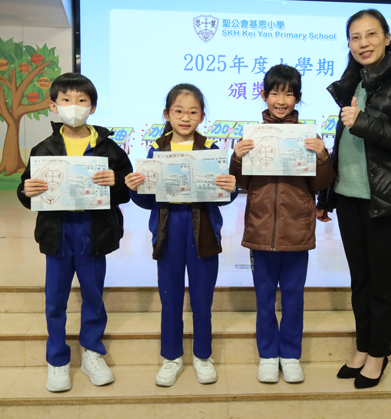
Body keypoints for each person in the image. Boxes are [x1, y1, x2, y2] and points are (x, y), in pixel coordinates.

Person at [317, 9, 391, 389]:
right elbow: (346, 148)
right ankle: (363, 346)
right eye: (355, 37)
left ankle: (379, 352)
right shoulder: (353, 84)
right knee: (360, 279)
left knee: (381, 280)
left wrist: (364, 122)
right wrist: (327, 195)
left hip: (387, 199)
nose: (363, 43)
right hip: (349, 196)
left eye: (370, 34)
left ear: (386, 37)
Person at [17, 73, 133, 393]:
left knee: (93, 295)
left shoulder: (109, 148)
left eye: (82, 101)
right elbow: (27, 190)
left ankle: (92, 352)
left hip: (94, 231)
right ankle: (57, 359)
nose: (74, 106)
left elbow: (127, 190)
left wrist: (116, 183)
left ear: (92, 107)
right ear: (54, 106)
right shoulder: (44, 148)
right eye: (66, 100)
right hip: (57, 232)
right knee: (55, 299)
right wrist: (26, 191)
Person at [125, 83, 238, 387]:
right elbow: (148, 200)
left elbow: (222, 196)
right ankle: (171, 357)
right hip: (168, 231)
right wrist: (135, 188)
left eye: (193, 112)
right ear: (167, 114)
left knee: (202, 298)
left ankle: (203, 356)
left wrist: (231, 189)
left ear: (202, 116)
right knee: (170, 298)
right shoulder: (156, 150)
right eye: (178, 111)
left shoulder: (211, 150)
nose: (185, 117)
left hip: (203, 231)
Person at [230, 65, 335, 384]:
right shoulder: (251, 136)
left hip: (297, 230)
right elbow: (240, 183)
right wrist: (237, 158)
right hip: (260, 230)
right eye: (275, 92)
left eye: (289, 94)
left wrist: (323, 157)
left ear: (297, 98)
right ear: (264, 95)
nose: (281, 100)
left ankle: (290, 355)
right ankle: (267, 354)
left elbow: (321, 183)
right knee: (264, 299)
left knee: (293, 297)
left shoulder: (309, 136)